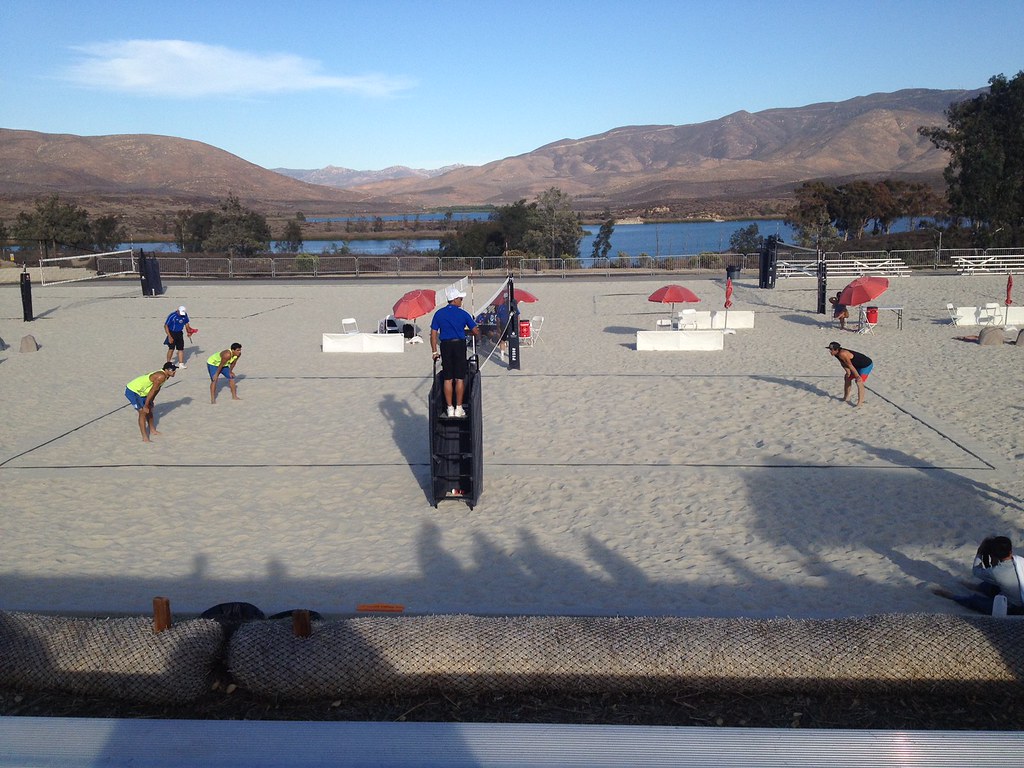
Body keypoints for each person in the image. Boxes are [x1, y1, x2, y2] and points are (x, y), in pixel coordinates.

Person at [932, 536, 1024, 615]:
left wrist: (980, 552)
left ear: (994, 555)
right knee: (992, 584)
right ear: (1010, 551)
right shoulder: (1020, 561)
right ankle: (977, 588)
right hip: (1017, 594)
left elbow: (976, 570)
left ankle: (952, 596)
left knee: (975, 601)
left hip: (1014, 607)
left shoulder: (995, 572)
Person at [430, 285, 479, 418]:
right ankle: (458, 408)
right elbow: (475, 331)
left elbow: (433, 334)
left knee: (447, 378)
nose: (461, 301)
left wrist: (434, 351)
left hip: (445, 345)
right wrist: (473, 333)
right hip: (459, 345)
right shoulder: (463, 313)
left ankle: (450, 408)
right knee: (459, 378)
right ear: (455, 299)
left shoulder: (439, 314)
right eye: (460, 299)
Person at [124, 362, 177, 442]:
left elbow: (157, 389)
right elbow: (152, 390)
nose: (174, 371)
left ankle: (152, 430)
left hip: (143, 392)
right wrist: (145, 405)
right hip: (133, 390)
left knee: (150, 410)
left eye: (175, 369)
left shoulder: (166, 376)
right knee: (142, 412)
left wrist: (151, 400)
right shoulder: (161, 376)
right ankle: (145, 437)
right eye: (172, 370)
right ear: (166, 370)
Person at [827, 341, 872, 407]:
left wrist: (857, 376)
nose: (830, 351)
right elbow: (842, 363)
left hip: (865, 365)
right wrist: (847, 372)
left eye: (831, 350)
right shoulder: (836, 354)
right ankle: (846, 397)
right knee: (847, 378)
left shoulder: (843, 354)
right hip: (856, 365)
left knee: (859, 382)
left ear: (836, 350)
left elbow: (850, 365)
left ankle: (860, 403)